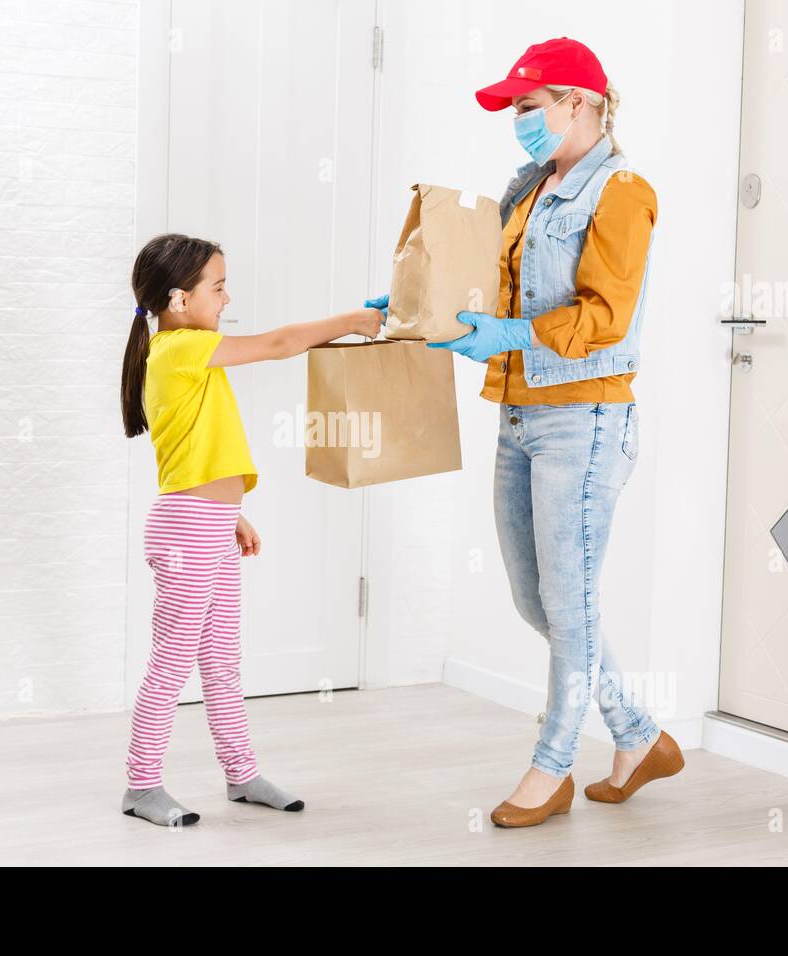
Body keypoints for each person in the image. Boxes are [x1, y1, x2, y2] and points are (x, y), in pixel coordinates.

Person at [366, 37, 683, 828]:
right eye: (514, 109)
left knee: (568, 606)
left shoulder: (623, 190)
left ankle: (551, 768)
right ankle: (639, 737)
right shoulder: (529, 187)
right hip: (519, 414)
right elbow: (488, 281)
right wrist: (419, 301)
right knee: (539, 600)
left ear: (580, 101)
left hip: (585, 417)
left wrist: (508, 336)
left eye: (529, 106)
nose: (518, 121)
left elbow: (606, 319)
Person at [120, 232, 382, 826]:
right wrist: (351, 320)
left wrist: (230, 513)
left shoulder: (191, 350)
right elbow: (279, 344)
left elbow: (192, 449)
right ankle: (141, 786)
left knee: (219, 659)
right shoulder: (178, 348)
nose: (226, 298)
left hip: (207, 522)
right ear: (179, 299)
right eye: (217, 287)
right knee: (173, 658)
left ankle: (241, 775)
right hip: (187, 530)